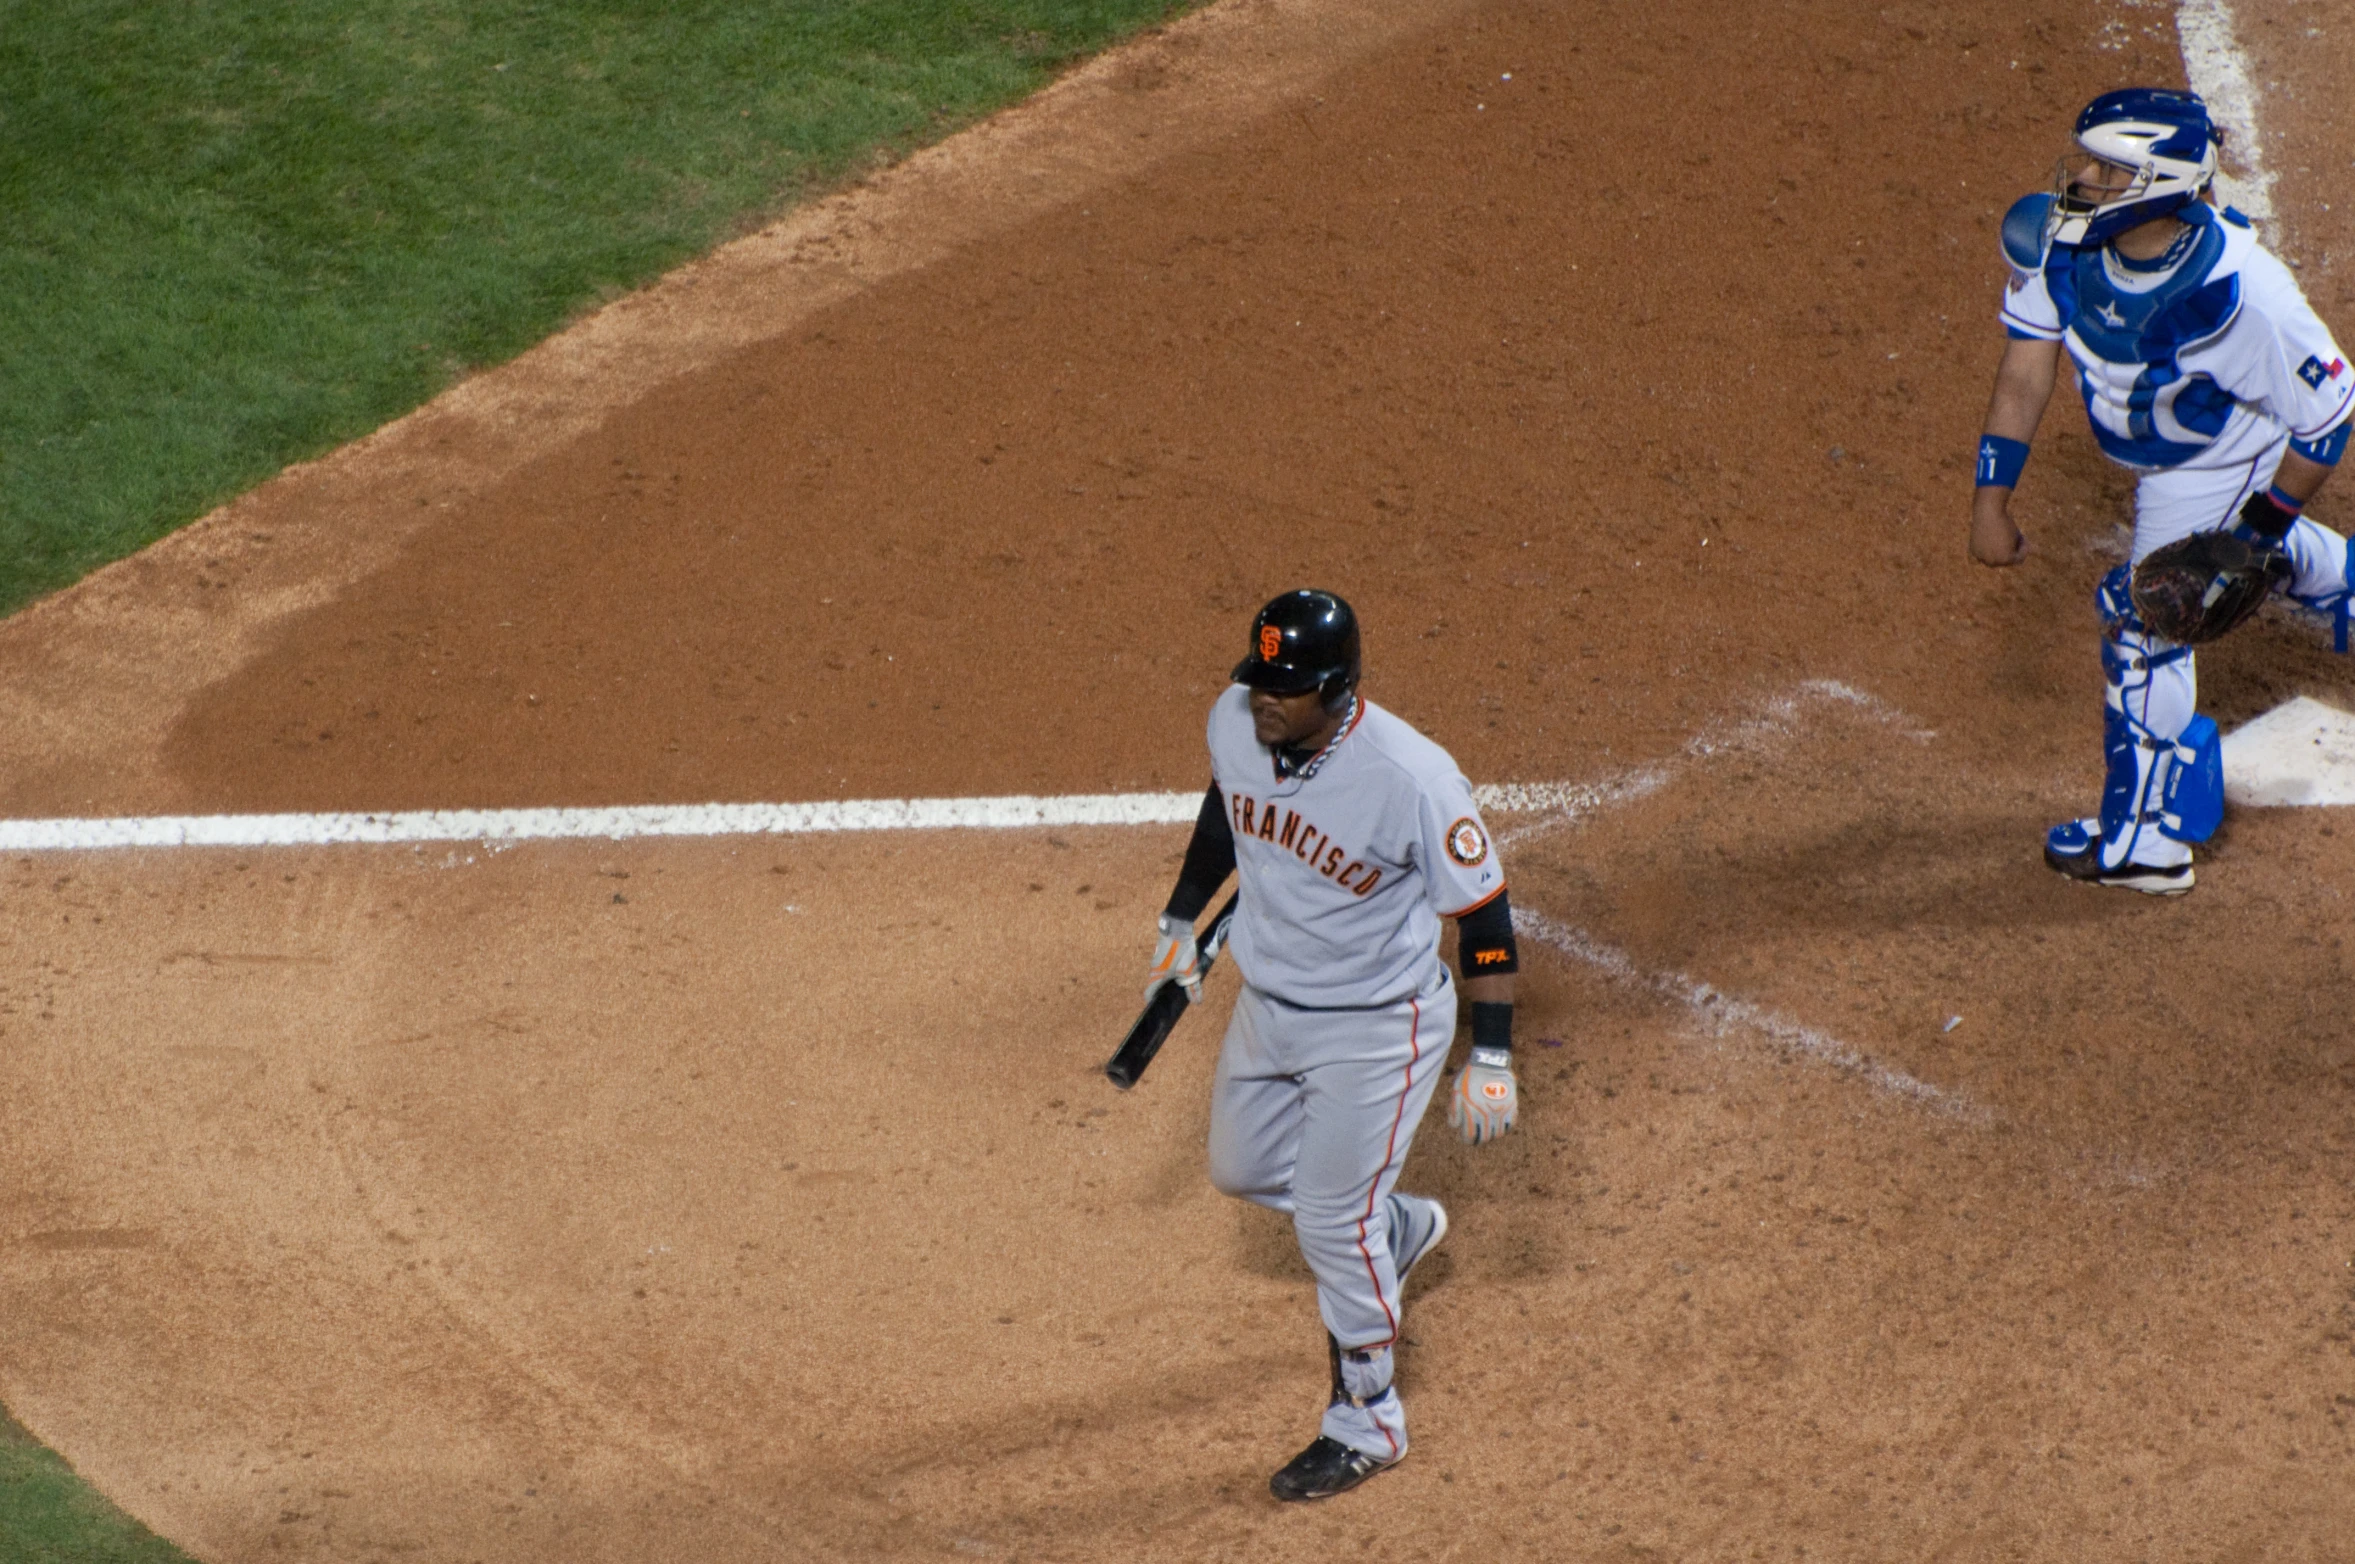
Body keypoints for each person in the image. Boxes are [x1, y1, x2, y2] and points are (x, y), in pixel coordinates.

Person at [1144, 587, 1520, 1500]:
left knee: (1325, 1219)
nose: (1266, 699)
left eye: (1290, 687)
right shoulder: (1239, 722)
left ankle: (1368, 1422)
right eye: (1259, 679)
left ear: (1341, 689)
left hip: (1375, 1026)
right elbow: (1224, 807)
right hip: (1271, 1004)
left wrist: (1495, 1055)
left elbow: (1484, 916)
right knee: (1240, 1172)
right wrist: (1183, 915)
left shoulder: (1413, 779)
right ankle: (1392, 1229)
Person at [1970, 87, 2355, 893]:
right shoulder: (2055, 243)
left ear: (2155, 187)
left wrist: (2251, 533)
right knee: (2200, 566)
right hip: (2163, 468)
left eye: (2105, 170)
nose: (2078, 177)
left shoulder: (2245, 294)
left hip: (2231, 457)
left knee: (2144, 614)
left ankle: (2144, 845)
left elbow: (2327, 422)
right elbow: (2025, 366)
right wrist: (1991, 497)